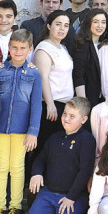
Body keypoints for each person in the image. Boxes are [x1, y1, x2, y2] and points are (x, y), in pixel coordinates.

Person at [0, 29, 41, 214]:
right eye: (15, 47)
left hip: (21, 129)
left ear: (30, 49)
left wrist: (33, 131)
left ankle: (15, 207)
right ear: (8, 48)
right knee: (0, 167)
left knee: (17, 168)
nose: (18, 51)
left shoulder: (34, 73)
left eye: (23, 48)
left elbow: (37, 104)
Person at [27, 97, 96, 214]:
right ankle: (54, 213)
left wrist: (71, 197)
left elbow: (85, 171)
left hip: (73, 194)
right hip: (50, 192)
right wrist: (36, 173)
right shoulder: (55, 137)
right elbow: (41, 159)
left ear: (83, 119)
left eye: (72, 116)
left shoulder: (86, 140)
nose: (66, 119)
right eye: (65, 114)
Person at [34, 10, 75, 156]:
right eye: (58, 24)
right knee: (43, 146)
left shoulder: (62, 48)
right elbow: (42, 78)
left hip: (64, 105)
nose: (62, 28)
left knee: (55, 149)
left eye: (66, 25)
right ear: (49, 25)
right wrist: (50, 104)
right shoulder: (44, 48)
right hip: (50, 106)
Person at [71, 9, 108, 107]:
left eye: (103, 22)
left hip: (100, 100)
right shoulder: (82, 44)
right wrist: (83, 102)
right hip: (87, 100)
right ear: (88, 23)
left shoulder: (102, 44)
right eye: (95, 22)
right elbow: (78, 74)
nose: (100, 26)